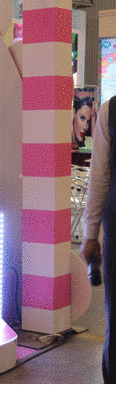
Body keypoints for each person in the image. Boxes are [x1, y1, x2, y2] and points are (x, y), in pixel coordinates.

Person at [81, 95, 116, 383]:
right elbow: (100, 178)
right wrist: (91, 233)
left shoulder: (111, 111)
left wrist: (91, 236)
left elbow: (100, 178)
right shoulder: (109, 111)